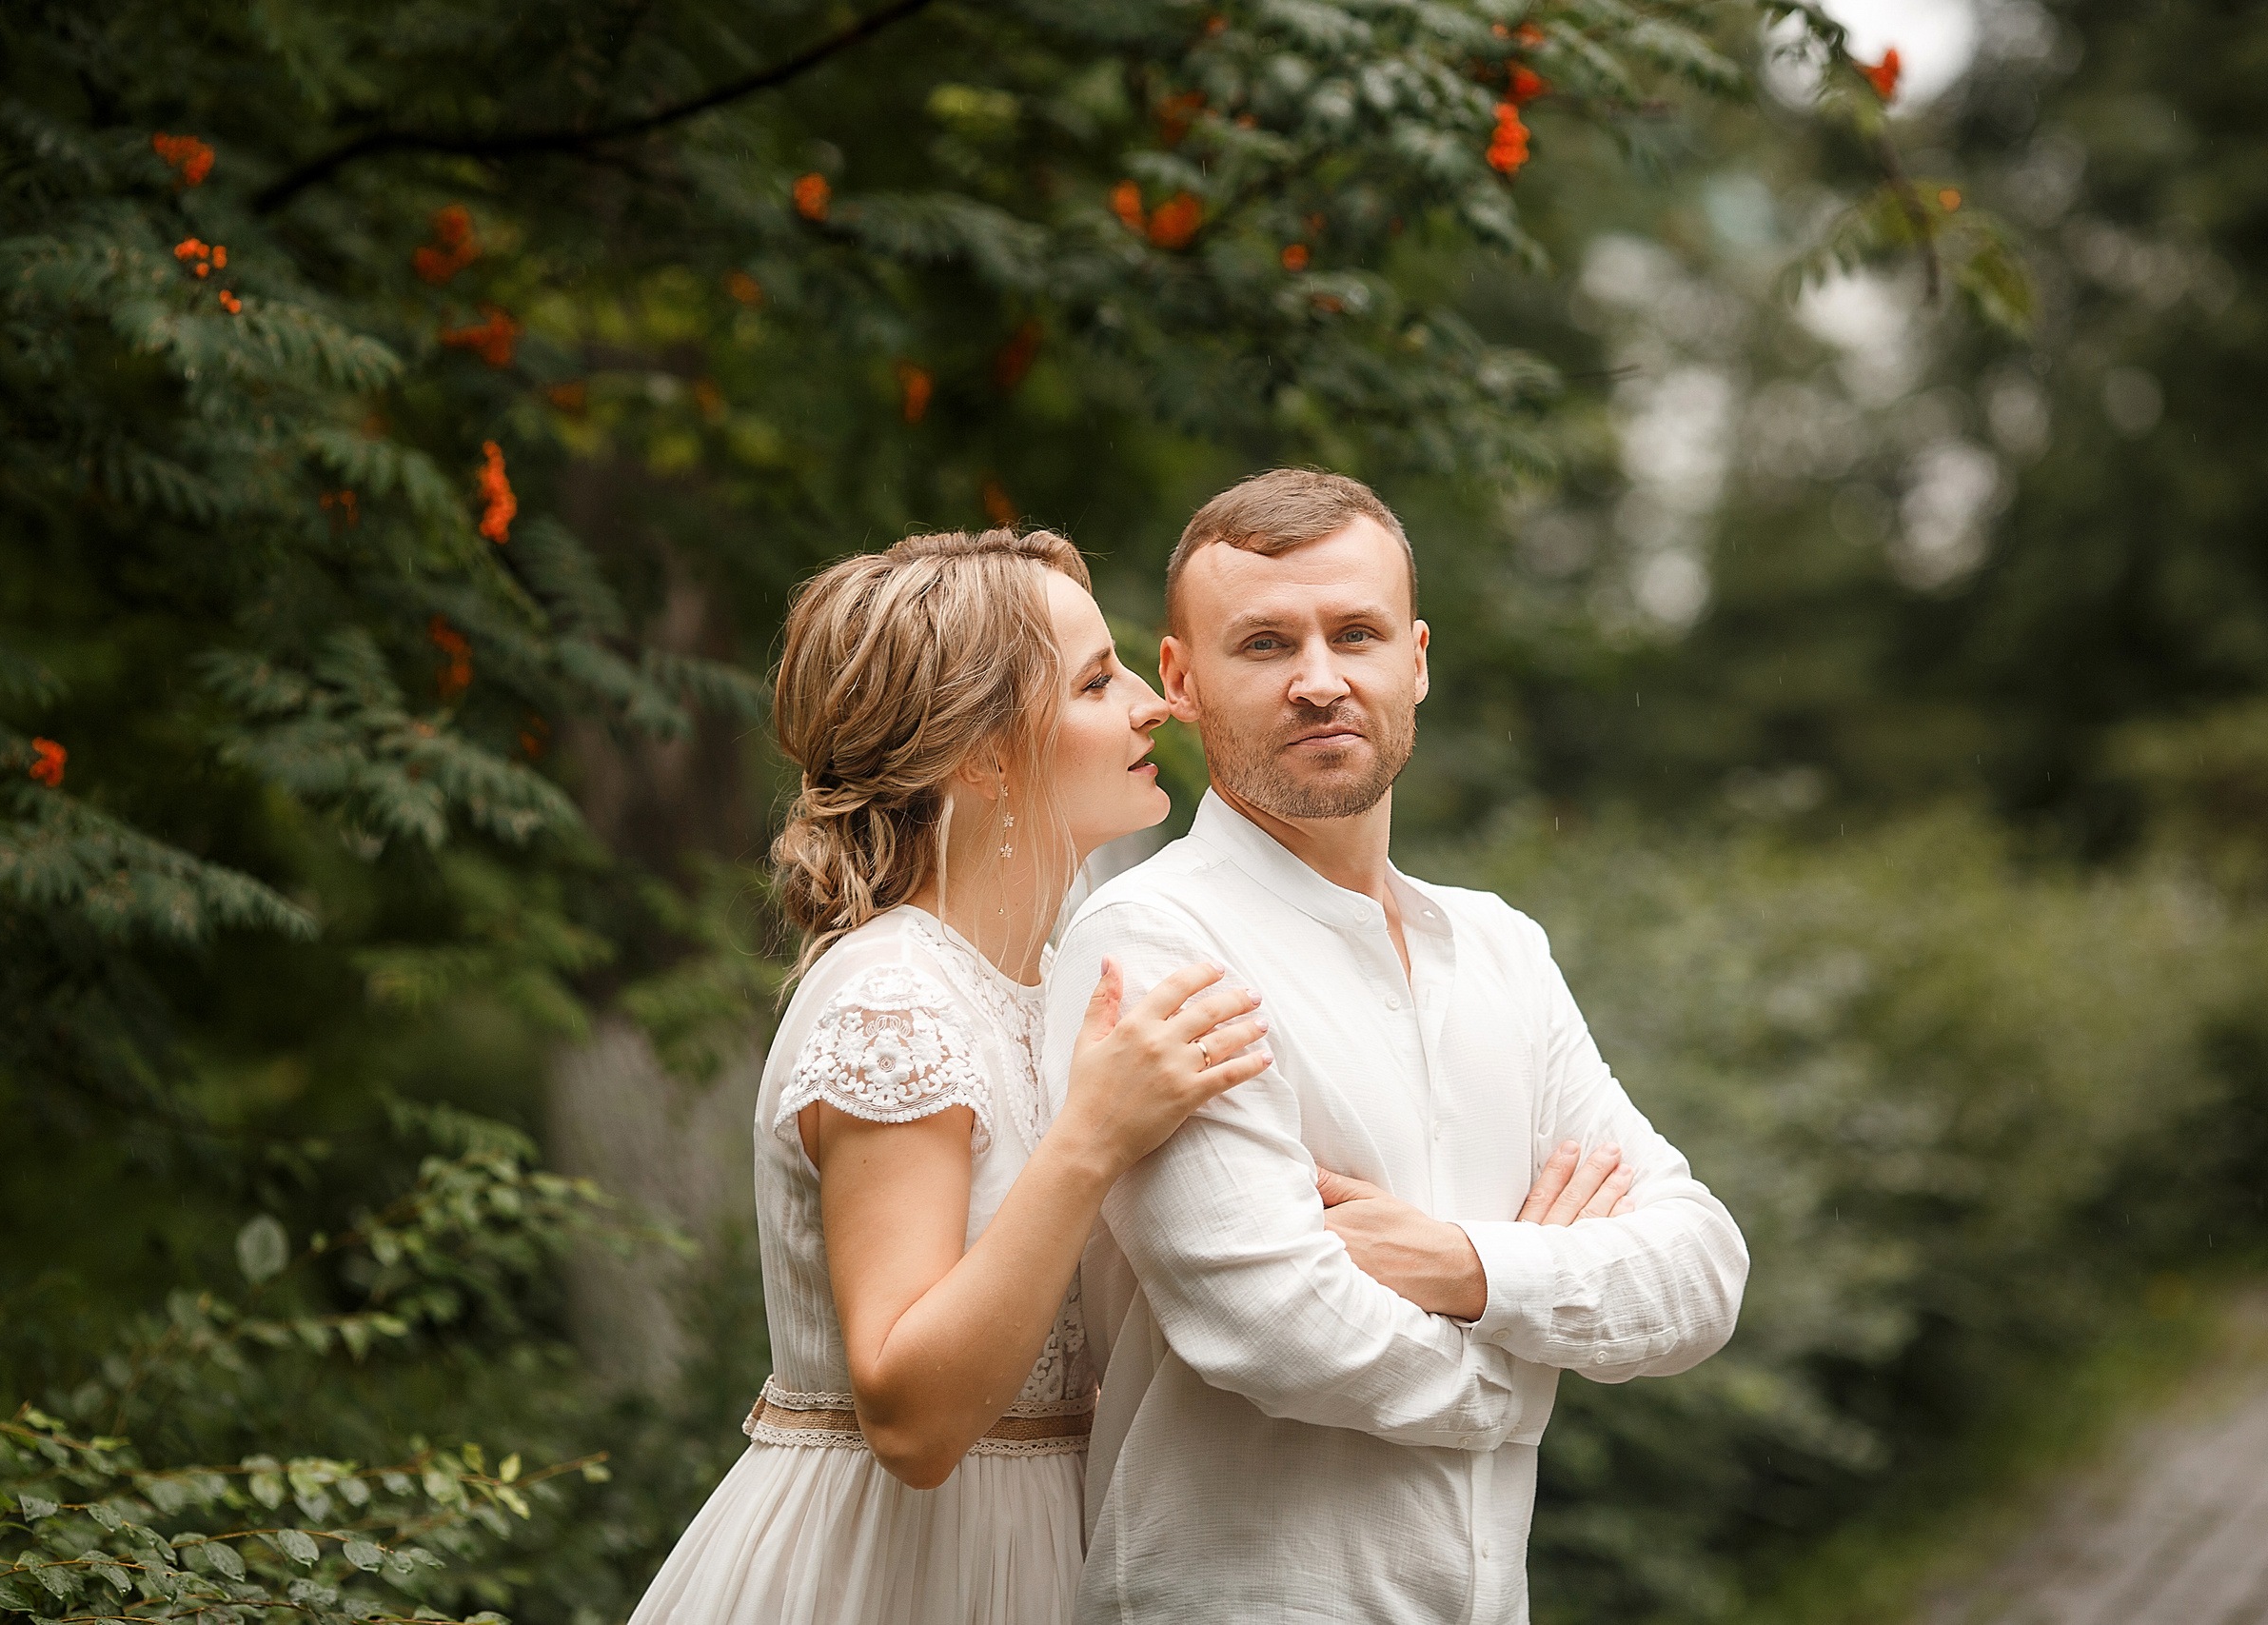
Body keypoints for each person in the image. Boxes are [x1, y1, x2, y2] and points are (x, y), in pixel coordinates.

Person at [1043, 469, 1750, 1625]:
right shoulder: (1157, 940)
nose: (1320, 680)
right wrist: (1528, 1369)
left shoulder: (1500, 946)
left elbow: (1702, 1270)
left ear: (1415, 660)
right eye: (1265, 643)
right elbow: (1276, 1326)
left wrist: (1463, 1266)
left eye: (1356, 634)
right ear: (1179, 680)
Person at [624, 527, 1279, 1625]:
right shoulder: (894, 1002)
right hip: (894, 1571)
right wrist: (1091, 1138)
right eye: (1095, 682)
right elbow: (913, 1423)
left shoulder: (1059, 984)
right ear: (981, 757)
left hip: (1053, 1551)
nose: (1151, 705)